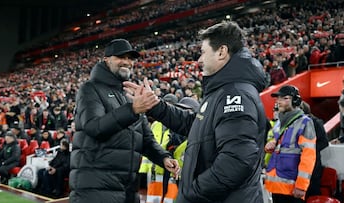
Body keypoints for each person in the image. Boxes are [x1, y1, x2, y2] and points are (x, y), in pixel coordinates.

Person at [124, 21, 267, 203]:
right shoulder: (223, 91)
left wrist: (192, 193)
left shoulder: (235, 94)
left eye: (203, 52)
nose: (199, 60)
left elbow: (237, 161)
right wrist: (156, 107)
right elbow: (195, 126)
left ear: (222, 52)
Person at [69, 38, 180, 203]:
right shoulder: (90, 89)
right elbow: (94, 127)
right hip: (95, 187)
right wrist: (133, 110)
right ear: (106, 59)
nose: (127, 62)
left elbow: (146, 140)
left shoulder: (129, 94)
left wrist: (163, 158)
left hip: (127, 188)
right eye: (121, 57)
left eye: (130, 58)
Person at [264, 85, 316, 203]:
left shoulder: (305, 123)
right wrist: (270, 145)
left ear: (295, 101)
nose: (279, 102)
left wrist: (301, 186)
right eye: (278, 99)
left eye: (284, 98)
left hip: (292, 190)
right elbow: (281, 145)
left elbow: (309, 157)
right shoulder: (279, 123)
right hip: (276, 187)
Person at [300, 101, 329, 198]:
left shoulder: (316, 122)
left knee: (312, 193)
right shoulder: (295, 123)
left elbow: (324, 142)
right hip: (299, 166)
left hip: (313, 165)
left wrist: (308, 149)